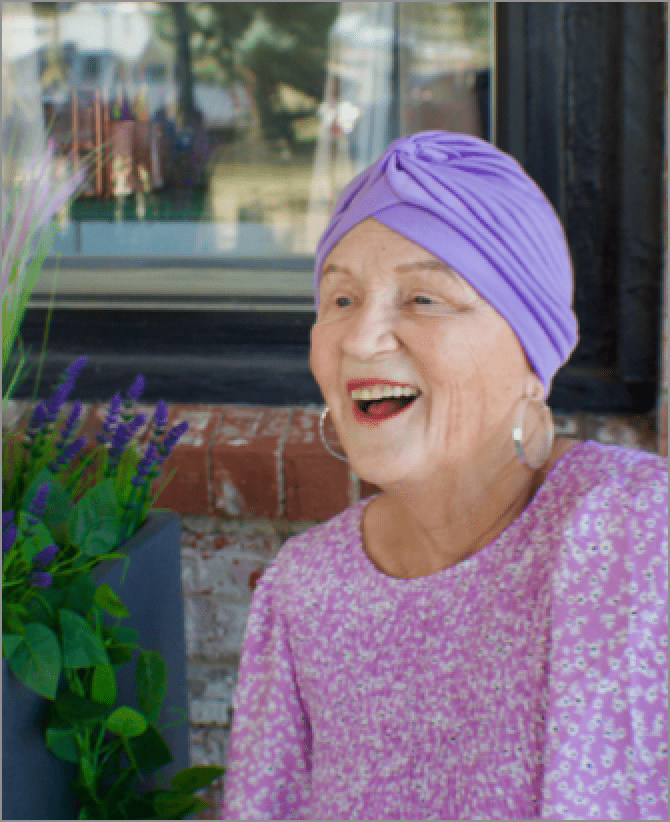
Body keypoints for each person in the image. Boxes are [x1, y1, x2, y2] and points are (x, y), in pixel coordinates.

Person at [223, 131, 668, 820]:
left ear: (531, 353)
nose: (362, 338)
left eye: (425, 298)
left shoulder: (638, 533)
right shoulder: (302, 593)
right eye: (340, 301)